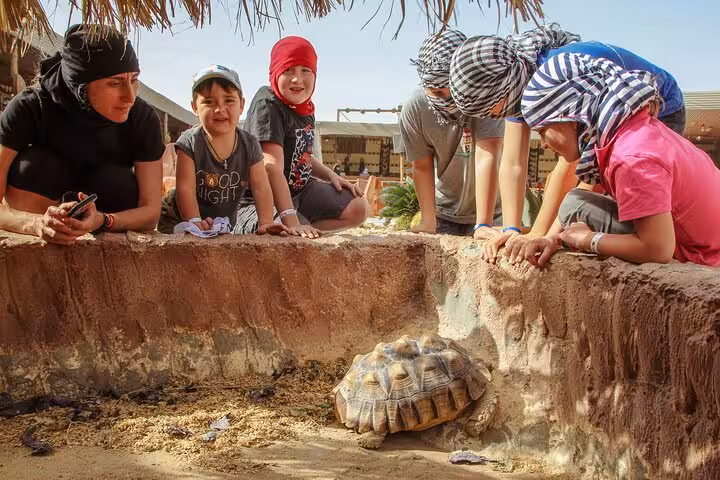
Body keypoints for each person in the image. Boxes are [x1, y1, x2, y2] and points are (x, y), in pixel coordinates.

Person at [447, 24, 687, 260]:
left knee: (619, 201)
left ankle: (662, 246)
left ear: (502, 88)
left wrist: (541, 234)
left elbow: (572, 163)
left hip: (658, 108)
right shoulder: (515, 85)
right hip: (602, 129)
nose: (491, 116)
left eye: (489, 109)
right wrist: (512, 230)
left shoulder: (553, 77)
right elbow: (512, 164)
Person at [514, 53, 720, 267]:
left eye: (542, 130)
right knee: (575, 202)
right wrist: (550, 238)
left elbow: (658, 250)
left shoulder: (631, 157)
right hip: (704, 240)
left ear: (571, 119)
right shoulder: (629, 133)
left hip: (706, 254)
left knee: (574, 205)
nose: (544, 143)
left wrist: (588, 240)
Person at [0, 24, 165, 244]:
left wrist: (103, 221)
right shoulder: (29, 108)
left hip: (105, 230)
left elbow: (151, 211)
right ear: (80, 85)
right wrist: (37, 223)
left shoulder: (143, 120)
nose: (130, 97)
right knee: (35, 166)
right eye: (115, 83)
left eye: (134, 80)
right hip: (36, 229)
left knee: (117, 182)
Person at [238, 36, 368, 238]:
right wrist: (292, 220)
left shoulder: (304, 108)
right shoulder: (268, 104)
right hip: (262, 200)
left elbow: (302, 153)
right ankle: (297, 227)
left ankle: (306, 229)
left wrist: (332, 176)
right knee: (280, 231)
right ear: (275, 72)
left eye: (305, 70)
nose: (297, 79)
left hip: (300, 191)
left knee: (358, 207)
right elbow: (271, 167)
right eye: (288, 70)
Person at [157, 65, 286, 236]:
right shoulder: (189, 142)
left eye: (229, 100)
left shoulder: (250, 144)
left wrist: (266, 223)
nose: (220, 109)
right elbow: (185, 188)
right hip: (177, 218)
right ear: (194, 107)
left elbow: (261, 187)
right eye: (209, 102)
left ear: (242, 105)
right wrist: (195, 221)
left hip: (221, 223)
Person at [402, 30, 504, 236]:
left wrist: (483, 224)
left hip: (494, 213)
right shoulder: (416, 108)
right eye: (438, 92)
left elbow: (488, 155)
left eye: (455, 90)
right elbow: (422, 166)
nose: (449, 99)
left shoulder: (485, 97)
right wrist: (428, 221)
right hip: (444, 213)